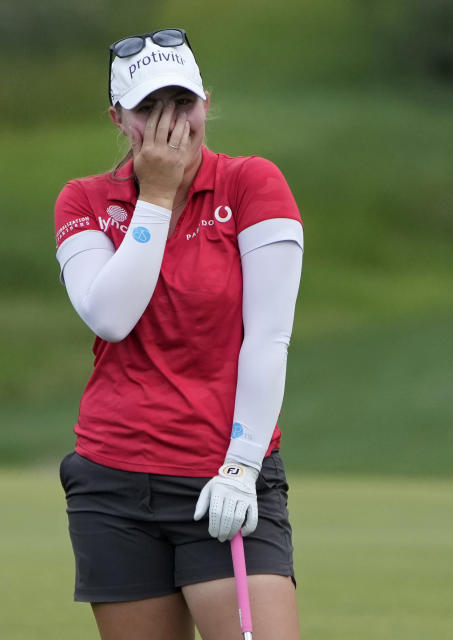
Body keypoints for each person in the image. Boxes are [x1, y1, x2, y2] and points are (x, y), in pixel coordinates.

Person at [53, 28, 304, 640]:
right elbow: (112, 316)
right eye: (148, 110)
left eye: (182, 104)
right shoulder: (84, 200)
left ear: (206, 103)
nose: (171, 126)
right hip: (114, 479)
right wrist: (157, 198)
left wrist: (242, 467)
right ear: (118, 118)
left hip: (223, 474)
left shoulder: (252, 184)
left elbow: (268, 336)